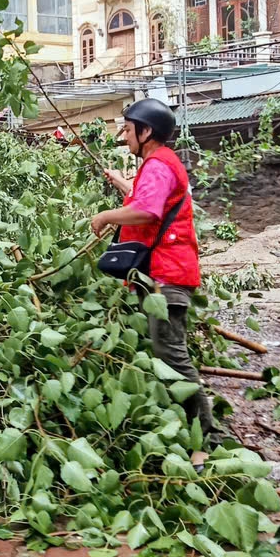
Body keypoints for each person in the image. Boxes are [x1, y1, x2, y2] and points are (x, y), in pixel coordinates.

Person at [89, 99, 215, 434]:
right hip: (162, 272)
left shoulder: (158, 164)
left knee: (171, 353)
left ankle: (208, 434)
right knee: (167, 349)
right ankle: (189, 428)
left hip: (167, 274)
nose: (125, 137)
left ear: (146, 132)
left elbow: (148, 212)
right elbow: (146, 198)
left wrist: (105, 216)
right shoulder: (159, 165)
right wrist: (120, 182)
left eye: (129, 130)